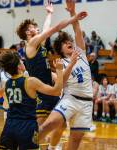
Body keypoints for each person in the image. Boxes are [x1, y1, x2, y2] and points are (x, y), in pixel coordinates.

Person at [17, 2, 87, 149]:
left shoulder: (38, 44)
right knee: (39, 130)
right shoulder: (31, 43)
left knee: (61, 126)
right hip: (41, 93)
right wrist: (73, 19)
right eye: (33, 27)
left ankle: (52, 148)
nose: (37, 28)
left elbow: (46, 29)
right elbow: (54, 29)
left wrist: (49, 13)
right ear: (28, 33)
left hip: (52, 90)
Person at [39, 2, 93, 150]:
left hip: (87, 103)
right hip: (71, 99)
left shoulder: (80, 52)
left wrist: (72, 12)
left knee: (75, 140)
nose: (69, 42)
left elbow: (77, 30)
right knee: (48, 125)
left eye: (69, 41)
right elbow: (61, 83)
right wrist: (70, 64)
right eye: (64, 43)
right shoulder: (60, 62)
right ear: (60, 49)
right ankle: (25, 145)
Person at [0, 50, 63, 150]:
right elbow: (57, 91)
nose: (23, 62)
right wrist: (59, 70)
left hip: (9, 125)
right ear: (19, 66)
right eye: (21, 61)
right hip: (27, 127)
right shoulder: (30, 81)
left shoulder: (7, 83)